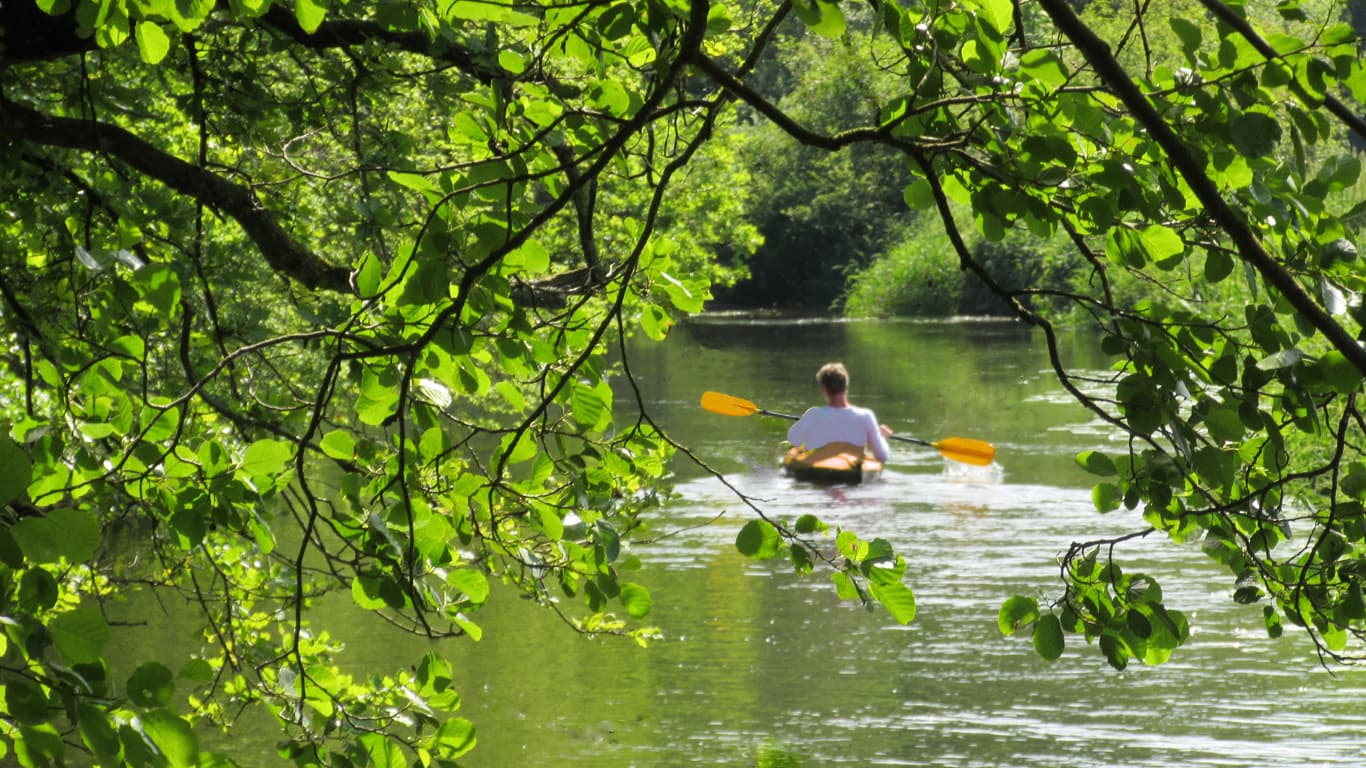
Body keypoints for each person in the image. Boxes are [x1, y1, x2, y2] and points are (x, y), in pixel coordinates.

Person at [787, 362, 893, 462]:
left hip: (817, 471)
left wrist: (812, 433)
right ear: (846, 387)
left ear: (824, 390)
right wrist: (881, 438)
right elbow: (882, 456)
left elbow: (793, 439)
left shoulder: (813, 414)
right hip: (851, 474)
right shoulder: (866, 416)